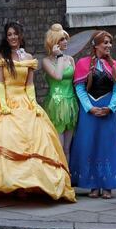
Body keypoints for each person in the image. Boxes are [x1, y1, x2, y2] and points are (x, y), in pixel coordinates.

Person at [0, 22, 76, 202]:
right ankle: (4, 186)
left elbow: (30, 84)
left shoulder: (28, 57)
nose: (13, 37)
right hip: (5, 100)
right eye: (10, 34)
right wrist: (4, 105)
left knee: (34, 142)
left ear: (20, 36)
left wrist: (33, 104)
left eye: (16, 34)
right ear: (6, 37)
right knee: (4, 139)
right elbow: (0, 84)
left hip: (25, 101)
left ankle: (27, 186)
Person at [70, 30, 116, 199]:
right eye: (105, 43)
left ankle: (107, 185)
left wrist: (111, 107)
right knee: (89, 145)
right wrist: (89, 107)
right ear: (96, 45)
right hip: (90, 112)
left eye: (110, 43)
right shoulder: (83, 63)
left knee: (107, 146)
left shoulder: (114, 65)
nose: (109, 46)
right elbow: (79, 87)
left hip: (108, 111)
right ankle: (92, 184)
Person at [42, 24, 78, 162]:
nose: (65, 42)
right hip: (56, 105)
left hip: (70, 104)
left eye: (65, 39)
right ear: (54, 42)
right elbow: (58, 76)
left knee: (67, 147)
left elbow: (75, 82)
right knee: (59, 145)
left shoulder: (70, 59)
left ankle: (67, 178)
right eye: (62, 39)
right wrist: (60, 56)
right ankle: (59, 177)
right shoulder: (46, 61)